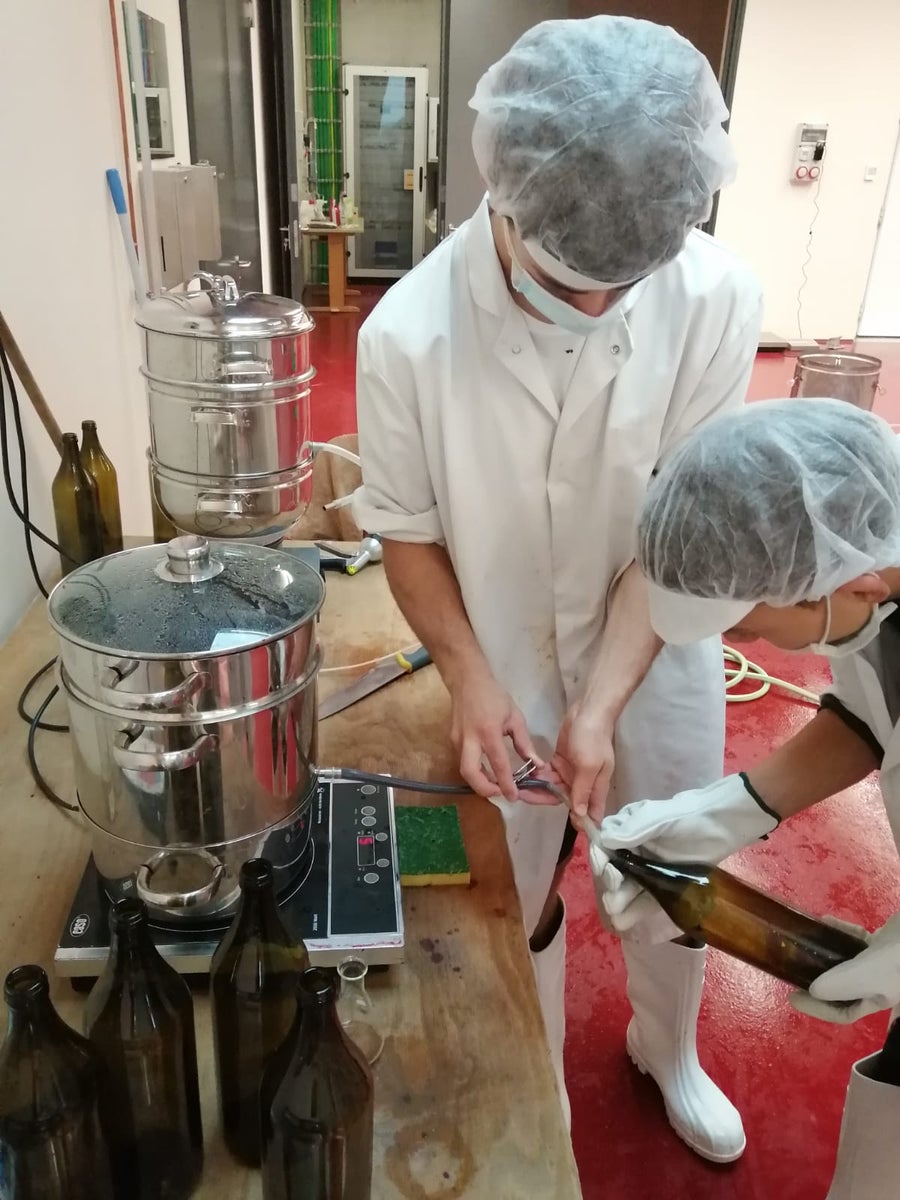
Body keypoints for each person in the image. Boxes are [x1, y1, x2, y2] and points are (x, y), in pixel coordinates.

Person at [352, 14, 761, 1157]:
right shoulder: (408, 335)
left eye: (620, 288)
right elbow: (407, 533)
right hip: (501, 653)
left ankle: (668, 1047)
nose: (593, 309)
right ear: (505, 201)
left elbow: (677, 527)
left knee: (675, 859)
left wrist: (604, 703)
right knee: (515, 880)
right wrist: (472, 681)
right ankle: (543, 1079)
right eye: (563, 283)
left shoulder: (715, 299)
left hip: (658, 640)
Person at [596, 396, 900, 1198]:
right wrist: (724, 811)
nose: (738, 644)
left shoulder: (856, 580)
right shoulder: (867, 584)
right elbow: (872, 720)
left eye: (752, 628)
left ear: (850, 582)